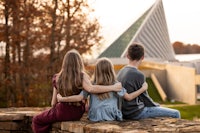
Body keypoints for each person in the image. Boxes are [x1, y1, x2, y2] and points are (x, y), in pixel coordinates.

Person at [31, 50, 122, 133]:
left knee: (36, 119)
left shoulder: (57, 78)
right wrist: (113, 87)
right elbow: (91, 89)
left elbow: (53, 103)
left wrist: (61, 101)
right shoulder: (82, 76)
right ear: (79, 63)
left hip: (61, 112)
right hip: (77, 113)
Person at [57, 57, 148, 122]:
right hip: (110, 115)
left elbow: (79, 97)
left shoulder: (91, 84)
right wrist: (142, 89)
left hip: (94, 116)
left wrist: (63, 99)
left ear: (97, 71)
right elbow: (129, 97)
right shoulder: (115, 85)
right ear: (111, 70)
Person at [117, 42, 181, 120]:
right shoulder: (139, 75)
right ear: (143, 57)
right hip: (136, 113)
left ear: (127, 56)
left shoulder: (121, 72)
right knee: (176, 113)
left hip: (124, 113)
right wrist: (157, 106)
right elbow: (146, 99)